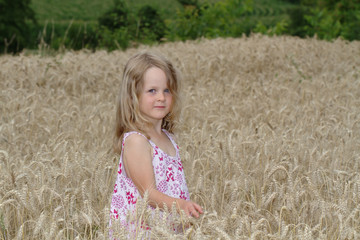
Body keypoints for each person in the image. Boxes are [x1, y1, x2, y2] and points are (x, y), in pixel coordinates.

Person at [109, 52, 203, 237]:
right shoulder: (136, 141)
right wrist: (181, 205)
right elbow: (148, 194)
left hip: (167, 229)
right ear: (132, 96)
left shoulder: (168, 138)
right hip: (142, 232)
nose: (161, 97)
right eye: (152, 91)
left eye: (166, 90)